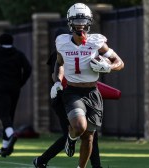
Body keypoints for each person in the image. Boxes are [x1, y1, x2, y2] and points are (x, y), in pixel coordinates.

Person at [51, 3, 124, 168]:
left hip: (92, 92)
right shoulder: (62, 42)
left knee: (89, 137)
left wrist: (109, 67)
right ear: (70, 22)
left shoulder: (97, 41)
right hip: (73, 91)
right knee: (79, 126)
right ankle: (71, 138)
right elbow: (59, 63)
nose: (81, 24)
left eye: (84, 20)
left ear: (89, 21)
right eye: (77, 20)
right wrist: (57, 82)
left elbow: (119, 62)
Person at [33, 28, 102, 168]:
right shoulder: (60, 54)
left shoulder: (81, 50)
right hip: (65, 97)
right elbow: (57, 74)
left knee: (89, 134)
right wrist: (58, 84)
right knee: (71, 133)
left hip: (76, 96)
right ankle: (41, 160)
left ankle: (96, 166)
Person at [0, 33, 32, 158]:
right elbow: (28, 69)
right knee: (10, 115)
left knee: (3, 114)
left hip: (1, 88)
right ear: (12, 41)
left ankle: (11, 134)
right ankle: (5, 148)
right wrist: (21, 81)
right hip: (15, 88)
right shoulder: (19, 54)